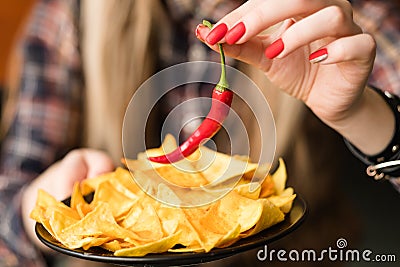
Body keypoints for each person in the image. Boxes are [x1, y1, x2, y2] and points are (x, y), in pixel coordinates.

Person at [0, 0, 399, 266]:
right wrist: (42, 207)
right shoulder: (72, 11)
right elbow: (6, 217)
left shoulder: (341, 12)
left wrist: (362, 114)